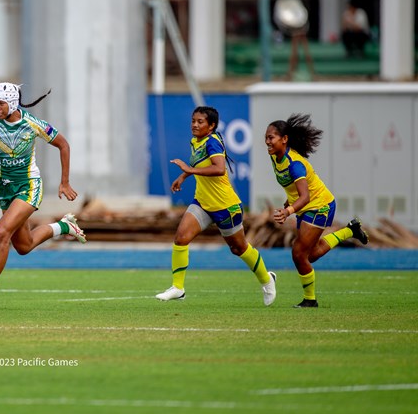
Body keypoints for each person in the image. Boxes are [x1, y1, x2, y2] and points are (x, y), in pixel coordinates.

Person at [0, 82, 86, 309]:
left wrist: (64, 182)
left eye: (1, 103)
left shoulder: (32, 123)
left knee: (1, 232)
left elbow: (64, 145)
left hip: (29, 185)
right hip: (5, 189)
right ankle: (64, 227)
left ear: (12, 103)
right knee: (24, 246)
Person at [156, 106, 277, 306]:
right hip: (203, 203)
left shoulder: (213, 143)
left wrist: (189, 169)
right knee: (181, 238)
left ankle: (267, 279)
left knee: (239, 248)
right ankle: (178, 287)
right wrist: (183, 176)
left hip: (225, 206)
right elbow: (198, 163)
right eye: (193, 120)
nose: (195, 124)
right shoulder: (196, 141)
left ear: (211, 126)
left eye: (200, 122)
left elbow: (219, 169)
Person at [265, 113, 369, 308]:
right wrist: (288, 205)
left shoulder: (295, 164)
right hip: (306, 208)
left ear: (284, 139)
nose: (267, 142)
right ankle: (350, 230)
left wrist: (287, 212)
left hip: (320, 205)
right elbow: (293, 190)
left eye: (271, 137)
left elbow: (305, 196)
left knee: (298, 254)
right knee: (308, 255)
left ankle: (310, 300)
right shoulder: (276, 158)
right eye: (266, 138)